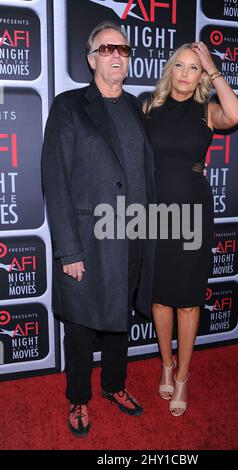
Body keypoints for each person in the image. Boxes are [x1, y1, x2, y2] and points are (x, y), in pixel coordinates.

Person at [42, 22, 155, 437]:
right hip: (88, 241)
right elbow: (54, 179)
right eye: (107, 48)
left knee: (118, 320)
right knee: (81, 325)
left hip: (133, 239)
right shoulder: (69, 106)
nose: (117, 55)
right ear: (91, 59)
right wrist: (68, 251)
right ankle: (78, 398)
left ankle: (114, 385)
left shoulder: (137, 109)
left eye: (124, 49)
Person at [144, 42, 238, 416]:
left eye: (194, 68)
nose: (186, 73)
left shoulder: (207, 112)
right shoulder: (148, 108)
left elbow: (234, 115)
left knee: (187, 301)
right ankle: (166, 364)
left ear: (202, 75)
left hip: (192, 213)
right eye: (180, 66)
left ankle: (183, 375)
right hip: (154, 214)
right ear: (170, 70)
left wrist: (212, 65)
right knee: (158, 298)